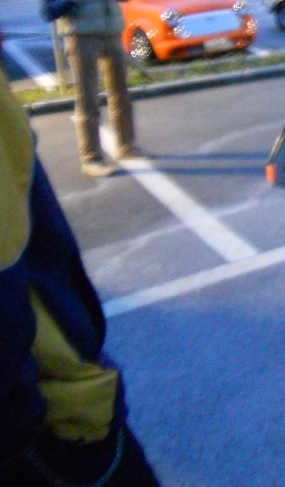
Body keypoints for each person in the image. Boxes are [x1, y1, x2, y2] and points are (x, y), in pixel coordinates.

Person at [0, 60, 161, 486]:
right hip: (48, 426)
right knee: (89, 98)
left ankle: (125, 143)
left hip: (43, 410)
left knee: (117, 92)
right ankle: (92, 153)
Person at [39, 0, 140, 177]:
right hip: (81, 37)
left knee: (121, 94)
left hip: (111, 32)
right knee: (87, 99)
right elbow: (47, 11)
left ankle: (127, 146)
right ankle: (91, 158)